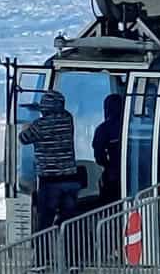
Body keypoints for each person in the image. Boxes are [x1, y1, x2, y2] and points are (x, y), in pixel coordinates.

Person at [18, 89, 80, 260]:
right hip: (70, 179)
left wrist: (28, 125)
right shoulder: (68, 120)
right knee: (69, 223)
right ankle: (73, 261)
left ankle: (42, 261)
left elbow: (23, 138)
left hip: (49, 181)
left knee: (45, 222)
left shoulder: (40, 125)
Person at [92, 92, 126, 206]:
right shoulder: (129, 126)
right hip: (132, 174)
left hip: (112, 175)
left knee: (109, 207)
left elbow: (99, 155)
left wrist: (108, 165)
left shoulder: (103, 129)